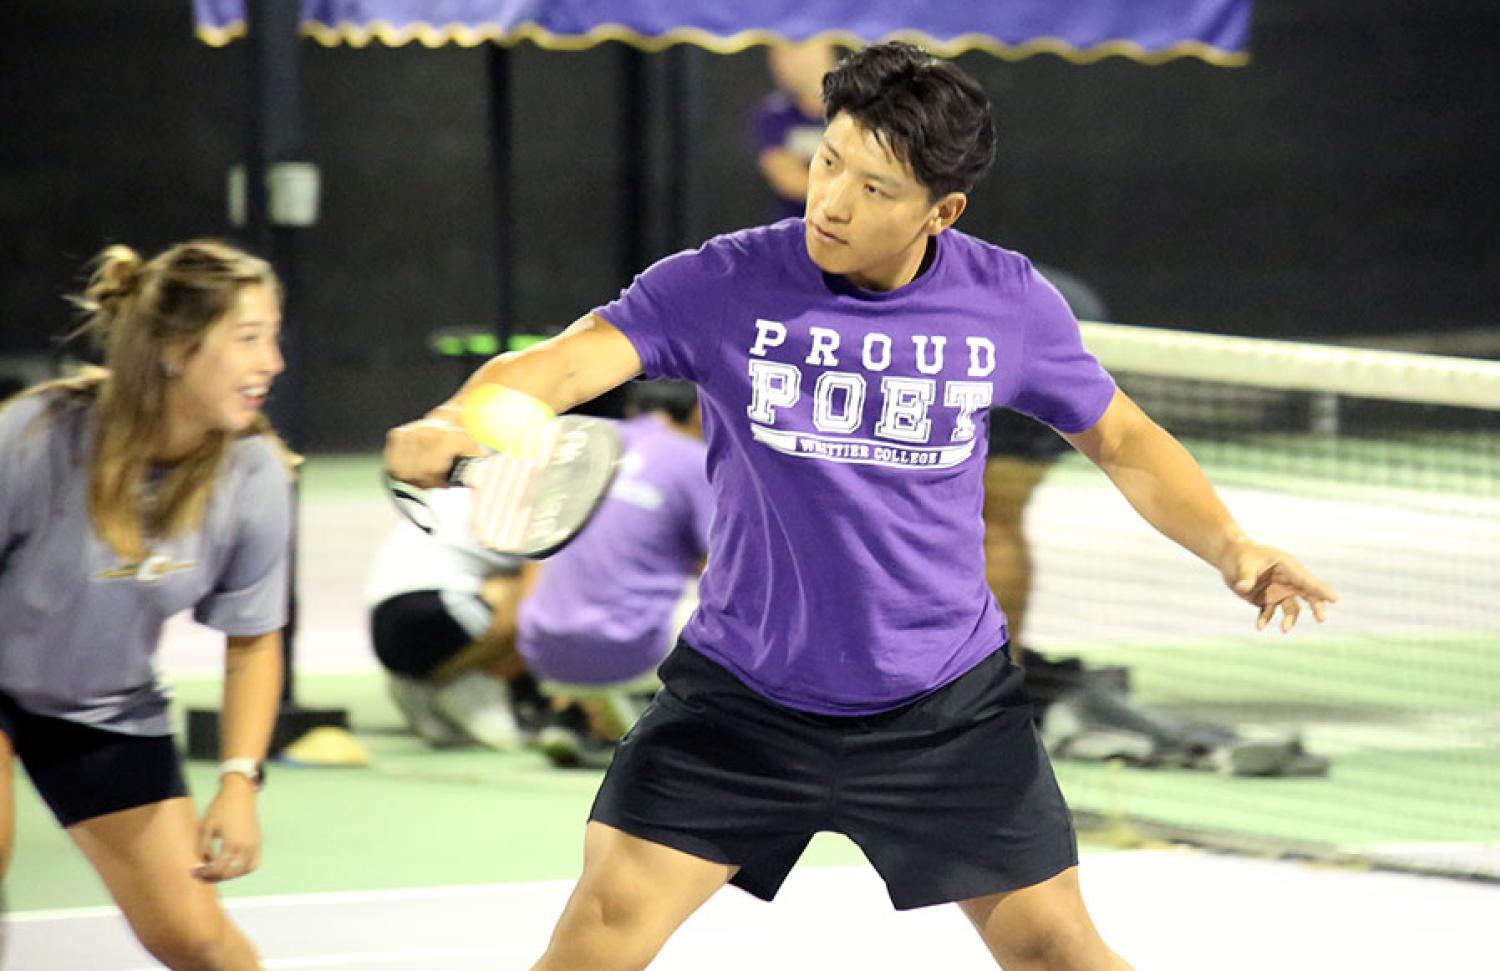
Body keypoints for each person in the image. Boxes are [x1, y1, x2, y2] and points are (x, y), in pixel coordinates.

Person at [386, 42, 1337, 971]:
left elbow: (1124, 439)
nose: (831, 201)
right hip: (742, 701)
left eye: (874, 188)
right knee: (598, 935)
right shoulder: (725, 281)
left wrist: (1232, 548)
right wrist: (459, 417)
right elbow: (560, 362)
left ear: (942, 210)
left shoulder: (1005, 301)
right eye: (826, 162)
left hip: (944, 707)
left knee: (1057, 953)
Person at [0, 241, 292, 970]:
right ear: (172, 348)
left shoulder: (253, 471)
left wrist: (238, 778)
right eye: (249, 338)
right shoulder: (36, 437)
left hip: (100, 706)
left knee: (201, 943)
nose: (274, 362)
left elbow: (253, 640)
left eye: (273, 337)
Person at [517, 379, 711, 768]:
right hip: (629, 651)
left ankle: (575, 712)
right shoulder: (694, 458)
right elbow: (720, 566)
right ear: (697, 412)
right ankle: (674, 730)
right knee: (740, 609)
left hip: (540, 648)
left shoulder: (584, 446)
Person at [366, 481, 545, 751]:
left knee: (518, 584)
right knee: (545, 595)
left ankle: (417, 683)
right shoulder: (548, 506)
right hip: (442, 608)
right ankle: (461, 684)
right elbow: (535, 607)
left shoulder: (482, 485)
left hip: (383, 624)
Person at [751, 40, 838, 220]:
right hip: (797, 230)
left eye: (792, 51)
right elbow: (787, 178)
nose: (782, 63)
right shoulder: (774, 114)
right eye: (776, 55)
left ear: (824, 51)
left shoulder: (860, 110)